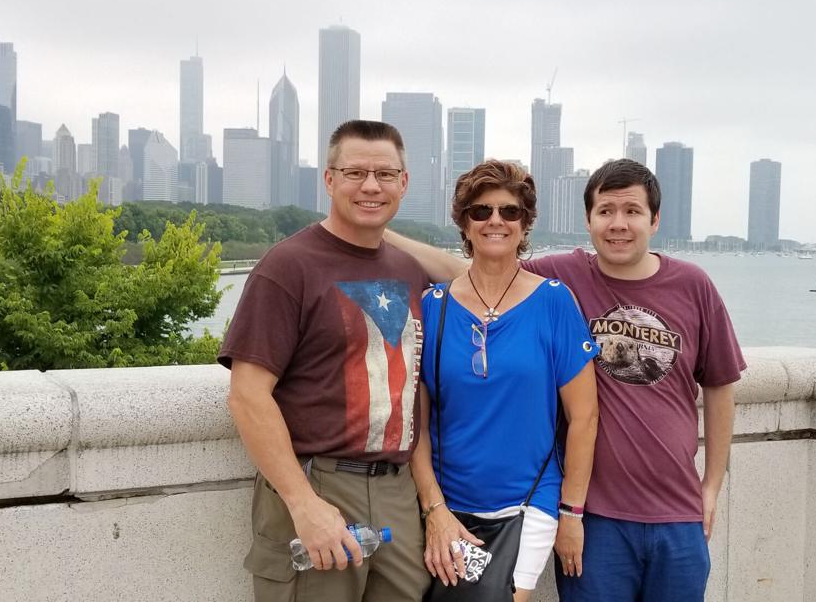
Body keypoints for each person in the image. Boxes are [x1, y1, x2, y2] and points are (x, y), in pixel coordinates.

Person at [386, 158, 745, 601]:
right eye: (605, 211)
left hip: (674, 507)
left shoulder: (689, 285)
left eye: (632, 211)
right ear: (588, 220)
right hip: (595, 512)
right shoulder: (564, 276)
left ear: (655, 219)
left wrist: (711, 485)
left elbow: (720, 383)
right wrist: (375, 226)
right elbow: (481, 269)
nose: (619, 224)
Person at [219, 120, 432, 602]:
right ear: (329, 179)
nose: (371, 186)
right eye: (355, 172)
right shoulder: (288, 266)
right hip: (320, 482)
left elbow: (484, 276)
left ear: (405, 182)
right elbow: (248, 396)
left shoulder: (409, 270)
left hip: (397, 490)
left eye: (385, 174)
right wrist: (303, 504)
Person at [410, 160, 599, 602]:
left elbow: (585, 417)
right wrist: (433, 506)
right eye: (481, 211)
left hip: (529, 499)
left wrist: (572, 513)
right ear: (464, 222)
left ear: (525, 222)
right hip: (450, 502)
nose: (496, 220)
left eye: (509, 211)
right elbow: (415, 423)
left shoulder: (554, 302)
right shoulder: (432, 307)